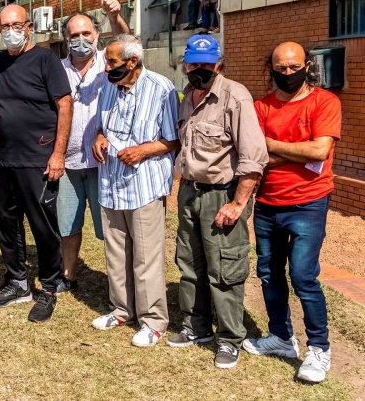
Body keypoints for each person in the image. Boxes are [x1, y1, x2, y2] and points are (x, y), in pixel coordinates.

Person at [0, 4, 73, 323]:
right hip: (3, 158)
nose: (10, 31)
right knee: (6, 222)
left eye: (15, 25)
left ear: (29, 26)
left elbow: (64, 104)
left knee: (43, 226)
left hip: (38, 158)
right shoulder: (2, 61)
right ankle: (18, 282)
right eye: (4, 26)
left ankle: (48, 288)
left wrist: (58, 153)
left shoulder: (46, 59)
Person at [167, 35, 268, 369]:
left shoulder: (234, 96)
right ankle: (196, 326)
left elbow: (253, 159)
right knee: (190, 263)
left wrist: (237, 205)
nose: (200, 71)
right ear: (186, 64)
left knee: (225, 268)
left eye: (207, 65)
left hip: (222, 194)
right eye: (194, 64)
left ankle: (229, 339)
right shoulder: (186, 96)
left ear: (219, 64)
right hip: (190, 192)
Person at [243, 42, 341, 384]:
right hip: (268, 202)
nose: (288, 74)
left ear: (307, 66)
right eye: (280, 68)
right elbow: (254, 155)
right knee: (269, 273)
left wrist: (271, 145)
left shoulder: (325, 102)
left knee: (303, 276)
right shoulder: (260, 106)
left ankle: (319, 347)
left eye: (293, 67)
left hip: (308, 203)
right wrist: (300, 154)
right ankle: (282, 338)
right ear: (271, 68)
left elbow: (320, 150)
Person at [90, 35, 179, 347]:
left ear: (132, 62)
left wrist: (142, 151)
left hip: (144, 185)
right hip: (110, 182)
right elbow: (102, 127)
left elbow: (173, 140)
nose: (106, 67)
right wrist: (100, 137)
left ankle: (153, 321)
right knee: (116, 253)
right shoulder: (108, 89)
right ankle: (121, 309)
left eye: (112, 62)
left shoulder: (162, 89)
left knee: (146, 257)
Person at [57, 6, 131, 293]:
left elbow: (128, 43)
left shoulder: (110, 63)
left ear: (97, 34)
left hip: (104, 163)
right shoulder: (57, 70)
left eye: (86, 33)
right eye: (74, 35)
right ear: (65, 39)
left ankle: (118, 282)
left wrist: (114, 14)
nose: (81, 39)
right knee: (68, 225)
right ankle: (68, 275)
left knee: (110, 229)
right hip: (68, 162)